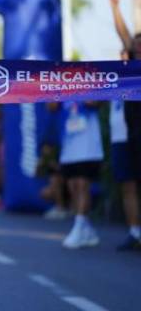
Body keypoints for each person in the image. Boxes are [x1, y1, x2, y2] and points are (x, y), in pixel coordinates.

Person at [109, 0, 141, 250]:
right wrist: (115, 8)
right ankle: (134, 231)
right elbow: (124, 34)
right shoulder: (129, 70)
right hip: (130, 134)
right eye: (136, 45)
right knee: (128, 184)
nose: (138, 47)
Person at [59, 101, 103, 249]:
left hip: (88, 147)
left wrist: (77, 90)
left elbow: (96, 103)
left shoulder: (89, 81)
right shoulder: (62, 83)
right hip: (70, 146)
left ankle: (79, 226)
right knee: (72, 187)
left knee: (82, 185)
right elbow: (51, 106)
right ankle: (87, 229)